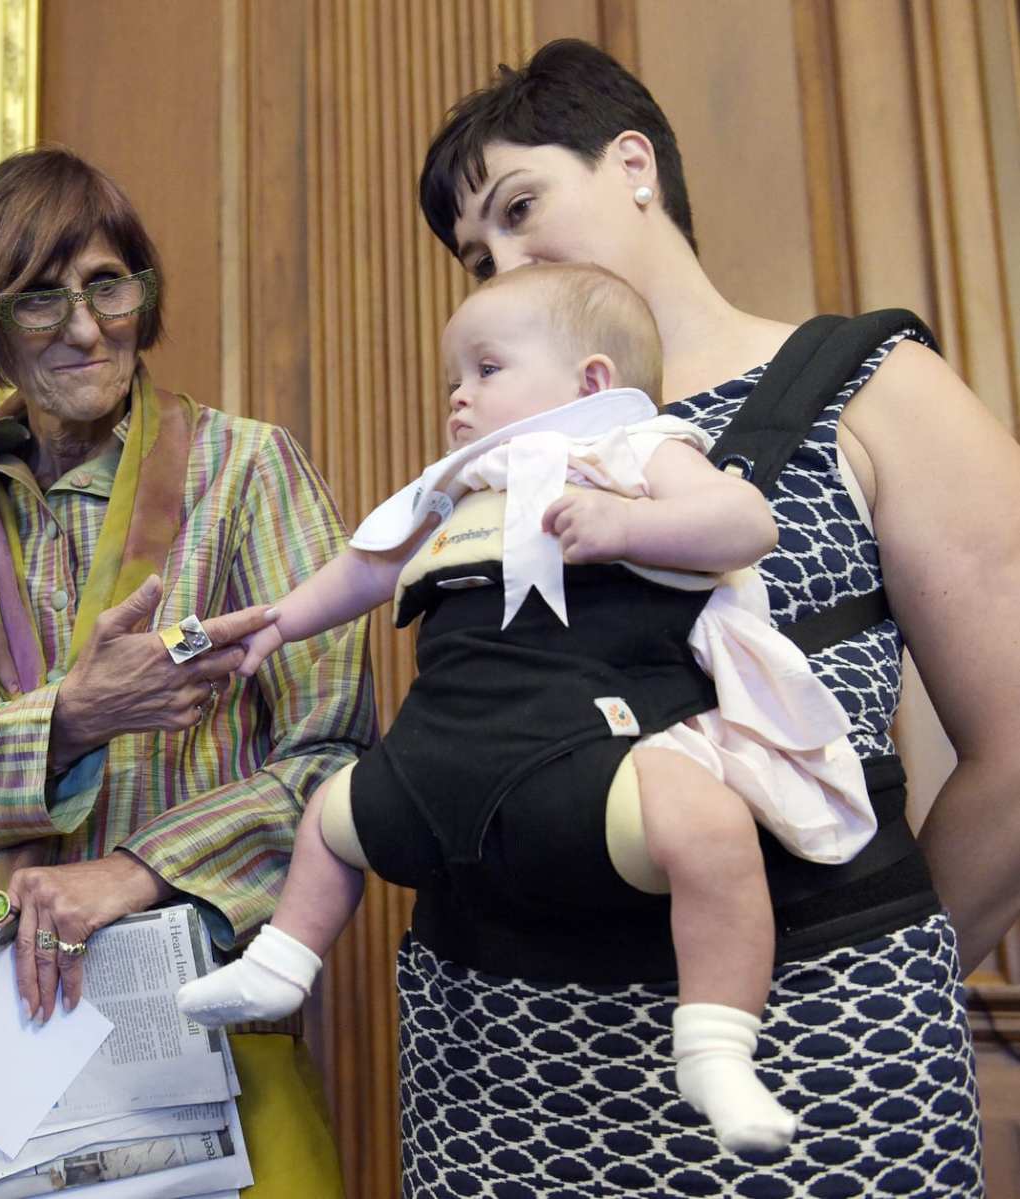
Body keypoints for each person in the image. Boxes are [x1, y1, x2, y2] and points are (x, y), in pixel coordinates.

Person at [347, 37, 1011, 1196]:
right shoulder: (502, 452)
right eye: (475, 252)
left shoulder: (871, 382)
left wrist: (879, 960)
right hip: (499, 1058)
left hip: (816, 1048)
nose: (501, 259)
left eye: (520, 206)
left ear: (633, 162)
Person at [178, 261, 877, 1155]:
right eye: (453, 381)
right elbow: (367, 567)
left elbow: (745, 526)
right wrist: (278, 621)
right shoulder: (457, 486)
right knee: (332, 810)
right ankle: (281, 964)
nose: (458, 400)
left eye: (486, 369)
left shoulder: (631, 450)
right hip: (435, 762)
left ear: (590, 381)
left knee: (706, 824)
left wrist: (628, 526)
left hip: (581, 753)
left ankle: (714, 1044)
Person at [0, 147, 378, 1199]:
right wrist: (70, 717)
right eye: (38, 300)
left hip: (186, 1007)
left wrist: (132, 870)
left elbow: (333, 750)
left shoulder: (250, 470)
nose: (83, 328)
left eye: (107, 284)